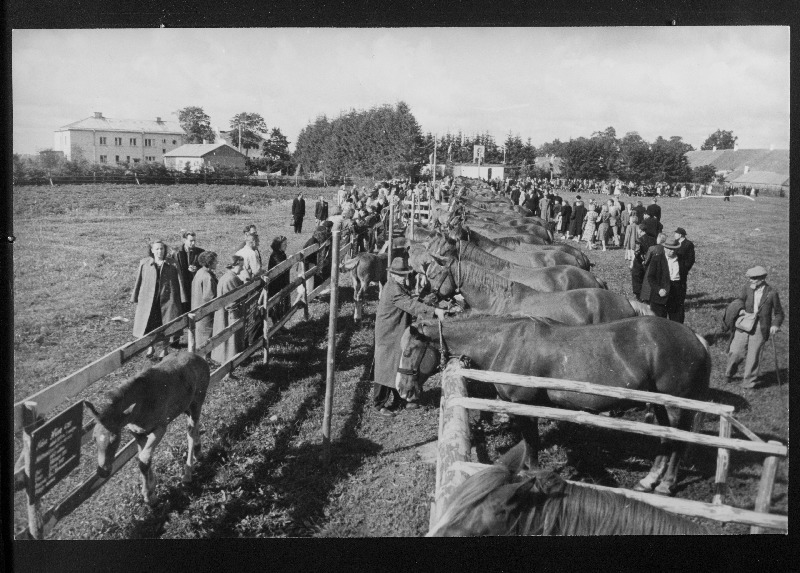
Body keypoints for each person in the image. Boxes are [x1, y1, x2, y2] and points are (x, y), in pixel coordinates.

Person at [373, 257, 450, 417]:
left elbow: (410, 300)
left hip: (396, 329)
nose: (403, 277)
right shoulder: (393, 289)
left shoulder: (396, 285)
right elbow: (411, 305)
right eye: (399, 274)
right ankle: (379, 403)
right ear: (392, 274)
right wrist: (435, 311)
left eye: (404, 274)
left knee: (396, 366)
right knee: (385, 368)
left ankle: (398, 398)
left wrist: (425, 300)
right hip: (389, 333)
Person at [724, 266, 784, 389]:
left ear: (762, 279)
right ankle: (729, 373)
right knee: (736, 352)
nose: (751, 280)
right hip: (744, 323)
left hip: (760, 327)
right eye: (750, 278)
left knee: (753, 356)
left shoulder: (772, 293)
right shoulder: (747, 288)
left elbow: (779, 313)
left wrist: (775, 325)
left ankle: (748, 383)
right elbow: (740, 300)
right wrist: (740, 310)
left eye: (754, 278)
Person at [131, 240, 186, 359]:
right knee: (149, 324)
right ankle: (150, 347)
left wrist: (182, 298)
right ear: (152, 250)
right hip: (149, 301)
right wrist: (135, 296)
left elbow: (180, 282)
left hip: (167, 300)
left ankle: (165, 349)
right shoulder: (144, 263)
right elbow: (139, 281)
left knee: (166, 324)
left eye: (161, 249)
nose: (159, 251)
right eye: (157, 249)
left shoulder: (172, 264)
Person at [211, 255, 246, 365]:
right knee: (230, 341)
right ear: (234, 265)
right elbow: (232, 302)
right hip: (231, 316)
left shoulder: (226, 277)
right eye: (240, 265)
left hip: (224, 314)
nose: (242, 268)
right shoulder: (232, 279)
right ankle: (228, 364)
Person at [191, 251, 219, 351]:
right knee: (205, 337)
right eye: (215, 261)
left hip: (197, 309)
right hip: (206, 314)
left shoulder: (200, 272)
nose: (217, 262)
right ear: (209, 263)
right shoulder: (207, 277)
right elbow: (210, 297)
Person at [173, 230, 205, 314]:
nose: (193, 243)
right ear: (184, 240)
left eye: (194, 240)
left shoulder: (201, 252)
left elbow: (205, 267)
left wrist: (196, 269)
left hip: (195, 284)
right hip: (181, 284)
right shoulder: (176, 253)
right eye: (191, 241)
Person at [640, 233, 670, 317]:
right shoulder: (666, 248)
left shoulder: (652, 248)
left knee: (648, 287)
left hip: (652, 269)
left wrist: (643, 262)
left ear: (659, 239)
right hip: (663, 272)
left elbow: (646, 260)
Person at [267, 235, 289, 328]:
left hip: (282, 282)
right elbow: (283, 267)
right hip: (276, 285)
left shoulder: (282, 253)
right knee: (277, 305)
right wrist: (289, 262)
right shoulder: (276, 255)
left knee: (281, 304)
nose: (286, 246)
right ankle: (277, 326)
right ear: (278, 245)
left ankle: (280, 325)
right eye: (284, 244)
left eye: (286, 244)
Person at [631, 223, 656, 300]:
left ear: (641, 230)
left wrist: (640, 259)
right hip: (650, 262)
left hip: (639, 262)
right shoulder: (653, 239)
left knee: (637, 278)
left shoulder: (639, 240)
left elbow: (637, 252)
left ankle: (639, 296)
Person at [661, 239, 684, 322]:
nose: (672, 251)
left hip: (676, 289)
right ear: (665, 249)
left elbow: (684, 273)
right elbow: (651, 277)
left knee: (677, 318)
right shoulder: (658, 259)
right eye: (670, 249)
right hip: (662, 290)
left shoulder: (681, 259)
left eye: (674, 249)